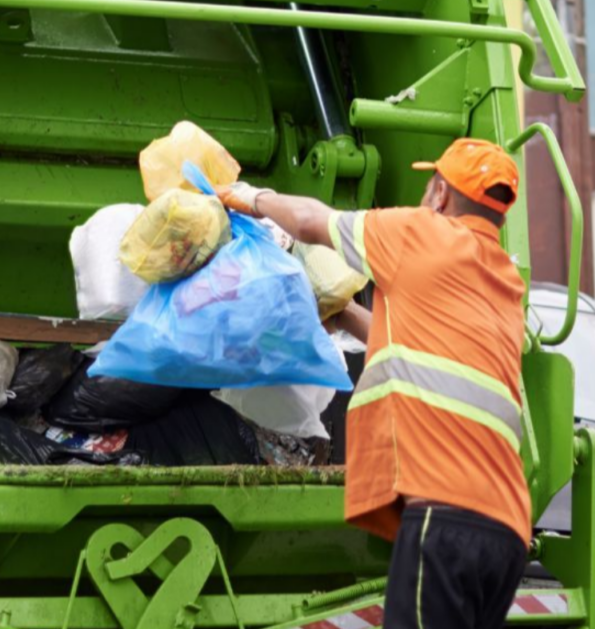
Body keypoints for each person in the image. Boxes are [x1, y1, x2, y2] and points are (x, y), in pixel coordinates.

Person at [217, 138, 530, 629]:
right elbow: (419, 348)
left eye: (430, 183)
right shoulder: (503, 280)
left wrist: (250, 196)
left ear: (441, 194)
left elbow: (308, 221)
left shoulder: (420, 234)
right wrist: (342, 316)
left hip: (444, 518)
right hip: (506, 530)